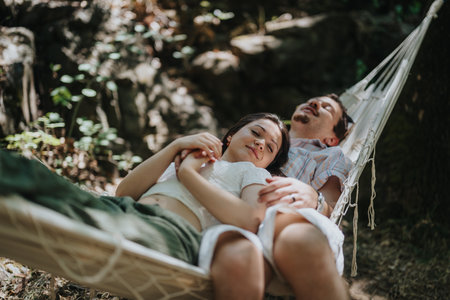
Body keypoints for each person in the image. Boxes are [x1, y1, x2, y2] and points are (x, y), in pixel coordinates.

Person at [0, 113, 290, 267]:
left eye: (270, 147)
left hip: (171, 234)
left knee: (79, 221)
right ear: (231, 135)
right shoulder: (191, 154)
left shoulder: (254, 173)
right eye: (256, 132)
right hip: (127, 212)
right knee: (30, 173)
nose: (260, 143)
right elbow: (124, 192)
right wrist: (176, 146)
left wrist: (188, 176)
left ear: (268, 162)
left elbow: (250, 219)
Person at [207, 94, 354, 299]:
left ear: (332, 138)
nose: (314, 103)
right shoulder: (260, 134)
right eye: (311, 100)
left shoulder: (331, 155)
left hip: (281, 220)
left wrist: (315, 198)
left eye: (327, 108)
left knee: (296, 241)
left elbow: (332, 208)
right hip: (233, 207)